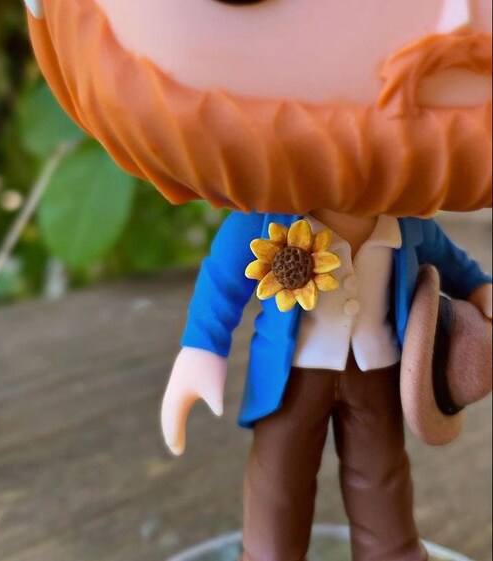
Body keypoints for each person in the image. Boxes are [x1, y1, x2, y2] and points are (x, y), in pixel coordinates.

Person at [24, 1, 492, 559]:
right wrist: (201, 353)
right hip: (292, 374)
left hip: (378, 366)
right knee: (280, 478)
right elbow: (222, 284)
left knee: (381, 474)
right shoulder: (264, 223)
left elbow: (452, 261)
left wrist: (481, 289)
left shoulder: (407, 225)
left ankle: (393, 552)